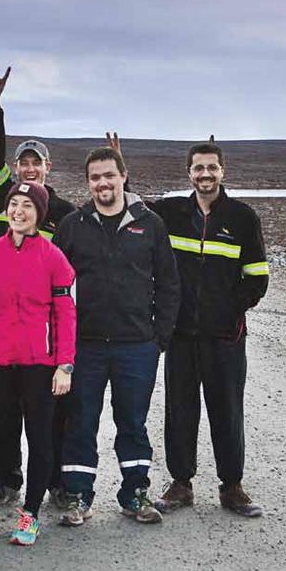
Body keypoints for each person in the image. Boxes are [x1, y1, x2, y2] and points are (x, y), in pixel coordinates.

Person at [53, 147, 180, 525]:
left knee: (133, 422)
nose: (102, 183)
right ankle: (77, 496)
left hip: (137, 346)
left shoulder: (150, 223)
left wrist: (160, 338)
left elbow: (169, 283)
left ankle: (135, 493)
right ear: (88, 181)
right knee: (81, 422)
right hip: (85, 346)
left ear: (124, 176)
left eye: (109, 175)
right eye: (95, 177)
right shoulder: (74, 225)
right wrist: (62, 341)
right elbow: (55, 286)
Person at [150, 141, 268, 517]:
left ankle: (231, 486)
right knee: (179, 408)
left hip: (225, 336)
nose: (205, 174)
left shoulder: (243, 217)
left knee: (227, 409)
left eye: (211, 168)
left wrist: (228, 312)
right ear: (188, 172)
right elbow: (128, 205)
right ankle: (181, 484)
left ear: (222, 171)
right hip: (181, 334)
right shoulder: (171, 213)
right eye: (198, 168)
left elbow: (257, 278)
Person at [0, 182, 76, 546]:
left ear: (39, 213)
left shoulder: (54, 257)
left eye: (27, 205)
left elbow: (66, 313)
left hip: (39, 365)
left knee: (40, 441)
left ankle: (30, 514)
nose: (18, 211)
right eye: (13, 204)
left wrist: (64, 364)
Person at [0, 66, 76, 508]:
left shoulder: (65, 212)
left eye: (37, 162)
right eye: (24, 162)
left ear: (48, 167)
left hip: (46, 331)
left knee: (48, 414)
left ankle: (53, 479)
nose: (30, 168)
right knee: (1, 414)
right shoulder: (3, 200)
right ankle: (5, 478)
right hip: (2, 328)